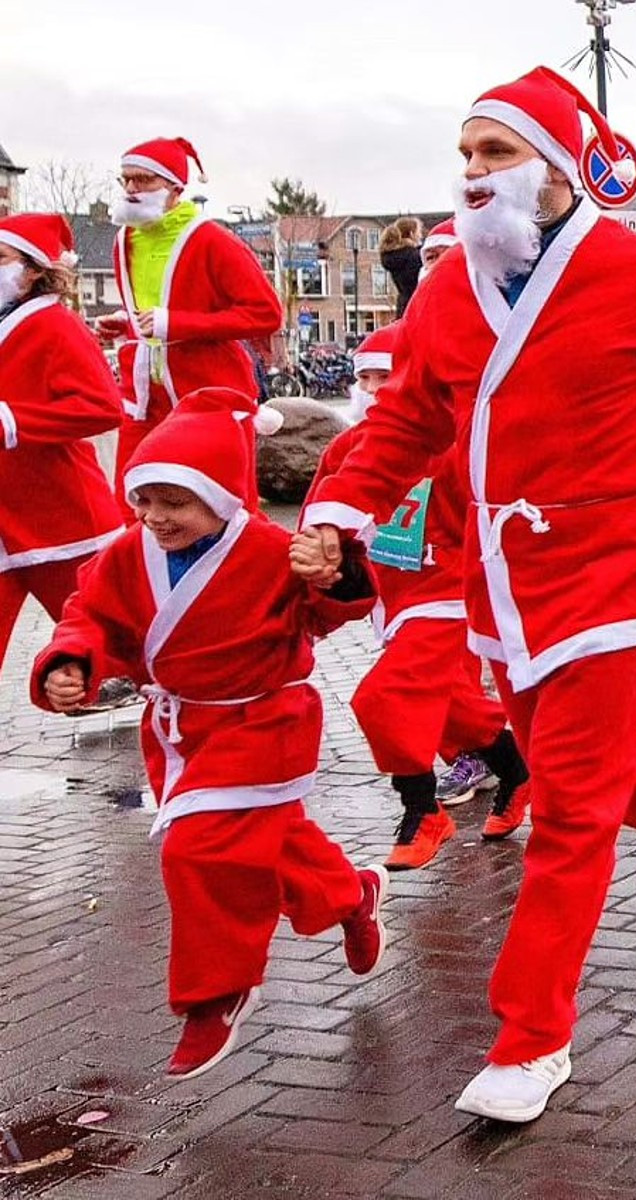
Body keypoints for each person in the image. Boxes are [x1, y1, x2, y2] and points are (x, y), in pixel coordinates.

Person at [294, 65, 636, 1123]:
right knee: (595, 772)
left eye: (497, 153)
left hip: (618, 577)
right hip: (502, 590)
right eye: (465, 155)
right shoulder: (447, 290)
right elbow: (407, 424)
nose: (473, 175)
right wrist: (340, 506)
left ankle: (532, 1041)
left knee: (572, 811)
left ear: (558, 168)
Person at [30, 390, 387, 1080]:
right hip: (182, 728)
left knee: (200, 847)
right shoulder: (126, 554)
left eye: (177, 502)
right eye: (146, 499)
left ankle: (216, 992)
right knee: (270, 843)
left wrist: (339, 572)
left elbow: (333, 609)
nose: (157, 517)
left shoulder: (269, 550)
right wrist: (71, 661)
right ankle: (353, 896)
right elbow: (90, 616)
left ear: (222, 498)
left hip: (263, 721)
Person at [308, 324, 530, 870]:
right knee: (455, 709)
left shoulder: (456, 442)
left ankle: (420, 806)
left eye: (389, 375)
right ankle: (516, 767)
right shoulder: (347, 448)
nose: (378, 387)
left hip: (450, 591)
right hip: (395, 600)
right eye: (367, 377)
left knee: (381, 698)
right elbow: (323, 522)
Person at [96, 137, 282, 513]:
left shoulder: (212, 240)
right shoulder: (123, 240)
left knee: (228, 503)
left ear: (175, 188)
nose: (132, 190)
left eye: (144, 180)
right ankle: (139, 571)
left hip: (209, 392)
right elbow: (156, 312)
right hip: (144, 397)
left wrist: (177, 324)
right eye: (126, 180)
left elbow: (266, 313)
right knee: (133, 501)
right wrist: (128, 324)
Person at [0, 214, 124, 673]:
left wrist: (12, 420)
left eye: (1, 258)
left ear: (33, 270)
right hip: (8, 511)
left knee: (114, 641)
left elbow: (101, 406)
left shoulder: (57, 326)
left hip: (59, 514)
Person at [380, 216, 424, 316]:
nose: (420, 236)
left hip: (403, 306)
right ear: (412, 234)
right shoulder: (415, 257)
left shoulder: (394, 256)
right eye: (419, 232)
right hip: (418, 306)